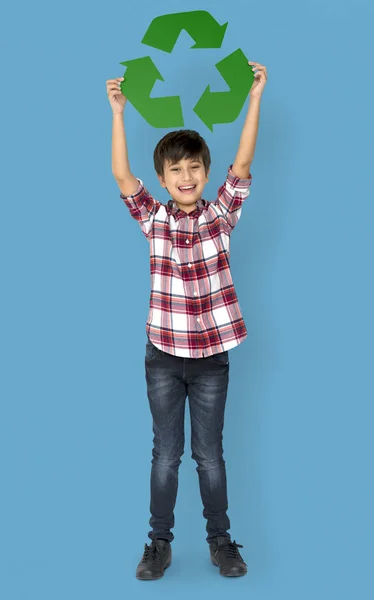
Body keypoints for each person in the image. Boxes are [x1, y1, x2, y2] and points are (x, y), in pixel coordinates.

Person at [106, 60, 267, 580]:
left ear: (205, 170)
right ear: (163, 178)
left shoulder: (221, 213)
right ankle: (159, 543)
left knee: (210, 457)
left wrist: (255, 97)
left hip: (211, 360)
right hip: (162, 358)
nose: (186, 176)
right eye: (175, 170)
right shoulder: (153, 218)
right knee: (166, 456)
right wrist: (118, 113)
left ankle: (221, 542)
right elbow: (121, 176)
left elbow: (243, 164)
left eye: (194, 167)